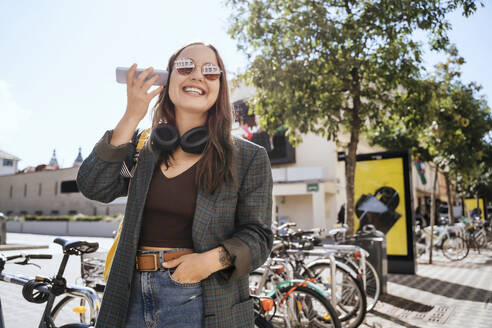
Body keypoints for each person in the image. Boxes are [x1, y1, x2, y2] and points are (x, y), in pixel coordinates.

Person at [76, 42, 273, 328]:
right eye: (185, 67)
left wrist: (209, 262)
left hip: (200, 296)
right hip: (129, 294)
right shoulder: (143, 145)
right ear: (168, 79)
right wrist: (132, 116)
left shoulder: (249, 157)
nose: (197, 76)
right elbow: (94, 186)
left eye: (210, 71)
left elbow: (259, 237)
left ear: (220, 87)